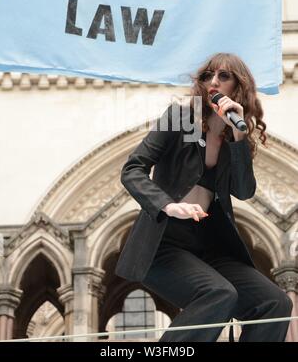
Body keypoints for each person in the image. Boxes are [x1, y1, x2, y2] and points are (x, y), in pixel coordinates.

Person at [115, 52, 293, 342]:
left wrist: (238, 138)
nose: (213, 81)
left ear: (238, 87)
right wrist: (167, 205)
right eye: (207, 76)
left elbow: (244, 190)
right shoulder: (180, 118)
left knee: (275, 303)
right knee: (218, 293)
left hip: (209, 248)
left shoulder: (235, 136)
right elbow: (132, 169)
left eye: (224, 76)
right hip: (164, 243)